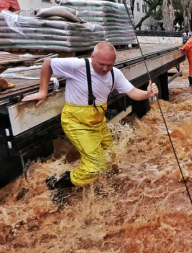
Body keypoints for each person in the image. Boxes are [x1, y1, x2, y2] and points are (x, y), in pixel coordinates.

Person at [21, 42, 158, 190]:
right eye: (101, 64)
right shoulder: (77, 66)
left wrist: (147, 94)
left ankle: (103, 186)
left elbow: (132, 92)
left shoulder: (115, 74)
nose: (105, 69)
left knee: (112, 156)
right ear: (92, 57)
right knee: (97, 164)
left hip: (98, 122)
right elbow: (48, 64)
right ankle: (56, 182)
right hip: (76, 122)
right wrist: (43, 91)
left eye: (109, 65)